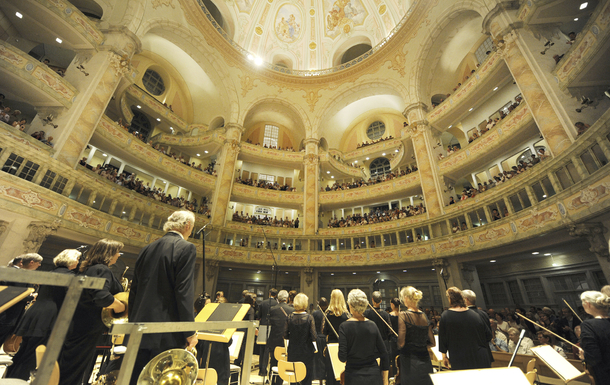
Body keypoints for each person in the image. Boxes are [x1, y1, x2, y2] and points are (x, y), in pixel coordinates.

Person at [128, 211, 198, 385]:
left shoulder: (147, 248)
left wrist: (132, 323)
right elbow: (183, 292)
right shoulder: (186, 247)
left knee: (135, 378)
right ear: (187, 226)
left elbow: (134, 290)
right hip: (167, 332)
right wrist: (189, 332)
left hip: (139, 328)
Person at [58, 239, 126, 385]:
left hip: (79, 322)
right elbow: (101, 296)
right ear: (108, 253)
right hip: (88, 325)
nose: (119, 255)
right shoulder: (102, 269)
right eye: (117, 252)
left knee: (71, 364)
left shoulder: (89, 268)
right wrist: (119, 306)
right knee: (75, 367)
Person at [6, 250, 80, 380]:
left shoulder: (50, 273)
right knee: (32, 358)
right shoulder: (71, 276)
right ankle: (18, 381)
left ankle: (9, 380)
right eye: (78, 259)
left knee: (22, 354)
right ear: (73, 260)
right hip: (49, 317)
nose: (79, 262)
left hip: (35, 314)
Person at [339, 289, 389, 385]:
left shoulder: (344, 326)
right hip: (373, 376)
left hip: (353, 376)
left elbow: (342, 357)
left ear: (350, 305)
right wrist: (385, 380)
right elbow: (384, 353)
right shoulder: (372, 325)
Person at [438, 287, 492, 370]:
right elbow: (488, 336)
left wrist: (444, 356)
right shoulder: (475, 314)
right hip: (481, 356)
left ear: (450, 299)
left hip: (460, 358)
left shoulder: (446, 315)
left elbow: (443, 338)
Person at [397, 286, 434, 385]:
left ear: (405, 298)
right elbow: (432, 342)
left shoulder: (403, 315)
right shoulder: (424, 315)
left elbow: (401, 343)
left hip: (410, 361)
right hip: (425, 360)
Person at [284, 293, 317, 385]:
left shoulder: (289, 317)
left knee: (294, 376)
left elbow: (285, 335)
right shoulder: (309, 317)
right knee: (306, 376)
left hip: (293, 350)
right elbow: (314, 336)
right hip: (306, 351)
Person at [578, 291, 610, 385]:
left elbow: (594, 358)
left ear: (587, 304)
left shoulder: (588, 325)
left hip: (605, 375)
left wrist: (584, 357)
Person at [323, 289, 350, 385]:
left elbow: (324, 331)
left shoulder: (327, 315)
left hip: (331, 346)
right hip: (343, 346)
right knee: (342, 372)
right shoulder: (347, 315)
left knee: (331, 374)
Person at [268, 290, 294, 385]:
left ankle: (273, 382)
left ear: (278, 299)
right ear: (287, 299)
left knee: (273, 363)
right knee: (282, 364)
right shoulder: (292, 310)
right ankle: (279, 382)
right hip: (285, 341)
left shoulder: (272, 309)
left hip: (273, 340)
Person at [257, 288, 278, 377]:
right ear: (276, 295)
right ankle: (271, 371)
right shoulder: (277, 304)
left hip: (263, 326)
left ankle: (262, 370)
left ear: (269, 293)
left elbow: (259, 316)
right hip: (273, 327)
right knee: (271, 350)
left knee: (262, 349)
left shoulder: (262, 303)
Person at [388, 297, 400, 378]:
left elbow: (389, 330)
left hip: (393, 340)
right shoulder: (403, 315)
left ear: (392, 305)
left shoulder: (389, 316)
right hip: (402, 339)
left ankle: (396, 376)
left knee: (394, 359)